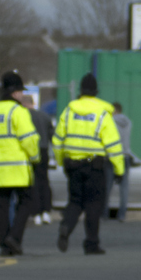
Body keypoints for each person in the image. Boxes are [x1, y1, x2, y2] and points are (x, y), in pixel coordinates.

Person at [54, 73, 124, 255]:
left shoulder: (69, 111)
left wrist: (62, 161)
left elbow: (57, 139)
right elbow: (113, 144)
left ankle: (66, 226)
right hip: (94, 166)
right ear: (96, 92)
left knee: (75, 202)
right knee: (94, 204)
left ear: (81, 91)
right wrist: (119, 169)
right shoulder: (102, 114)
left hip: (73, 165)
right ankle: (91, 243)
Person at [0, 71, 39, 256]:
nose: (22, 95)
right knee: (26, 202)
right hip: (18, 169)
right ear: (15, 93)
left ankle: (4, 246)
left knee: (2, 206)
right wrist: (36, 158)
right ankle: (14, 238)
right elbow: (29, 139)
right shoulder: (18, 112)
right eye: (21, 91)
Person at [24, 96, 54, 225]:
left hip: (29, 151)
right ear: (33, 103)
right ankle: (46, 212)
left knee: (32, 183)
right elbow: (53, 136)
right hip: (44, 150)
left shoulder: (23, 117)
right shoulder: (45, 116)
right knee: (44, 181)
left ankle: (35, 213)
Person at [110, 102, 133, 221]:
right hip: (126, 155)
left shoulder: (111, 121)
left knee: (107, 185)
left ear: (114, 110)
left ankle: (103, 214)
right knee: (124, 187)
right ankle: (122, 214)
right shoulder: (128, 122)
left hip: (113, 155)